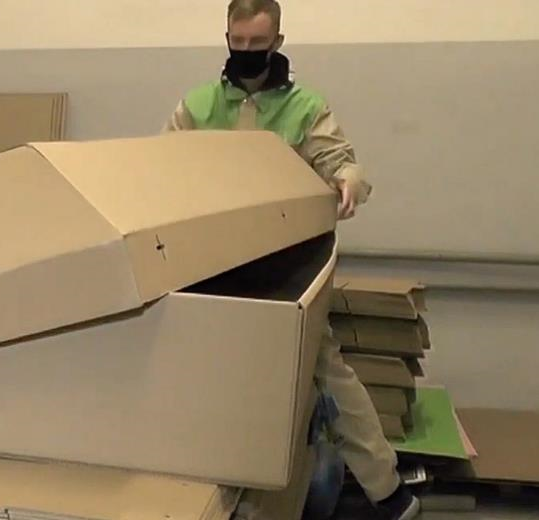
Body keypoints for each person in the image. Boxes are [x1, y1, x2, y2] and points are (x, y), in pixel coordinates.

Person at [164, 1, 420, 519]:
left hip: (286, 265)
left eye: (258, 44)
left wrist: (348, 181)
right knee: (209, 370)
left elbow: (340, 160)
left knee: (324, 370)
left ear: (277, 42)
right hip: (215, 263)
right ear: (227, 38)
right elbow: (161, 165)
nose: (247, 52)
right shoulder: (198, 105)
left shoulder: (304, 108)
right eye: (238, 42)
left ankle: (388, 492)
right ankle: (211, 491)